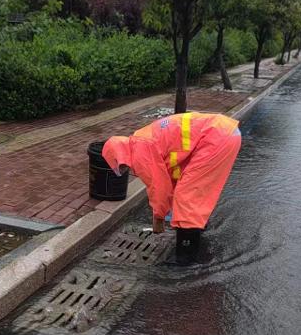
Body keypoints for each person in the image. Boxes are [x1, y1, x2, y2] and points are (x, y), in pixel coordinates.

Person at [102, 112, 241, 263]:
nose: (123, 168)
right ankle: (195, 228)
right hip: (223, 132)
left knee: (187, 197)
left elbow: (159, 189)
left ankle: (186, 256)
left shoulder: (139, 153)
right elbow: (170, 175)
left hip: (217, 137)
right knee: (190, 191)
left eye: (119, 164)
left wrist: (159, 218)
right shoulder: (139, 139)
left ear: (119, 154)